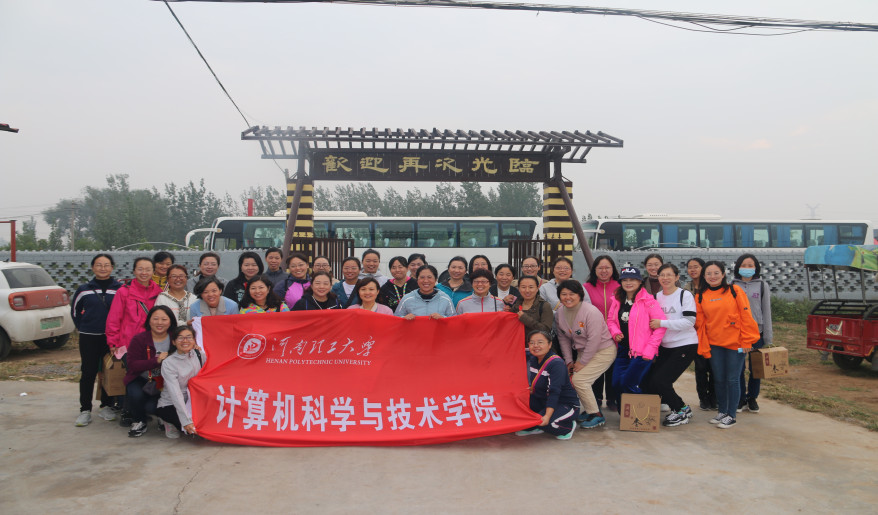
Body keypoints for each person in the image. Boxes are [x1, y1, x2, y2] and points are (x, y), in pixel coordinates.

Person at [695, 261, 760, 429]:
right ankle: (722, 411)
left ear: (723, 274)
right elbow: (700, 323)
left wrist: (747, 340)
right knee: (719, 379)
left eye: (716, 273)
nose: (713, 276)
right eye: (709, 273)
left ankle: (731, 415)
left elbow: (746, 315)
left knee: (732, 379)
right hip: (714, 344)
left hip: (736, 344)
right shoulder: (701, 296)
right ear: (704, 276)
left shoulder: (734, 290)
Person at [554, 280, 617, 429]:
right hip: (583, 351)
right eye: (564, 294)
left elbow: (594, 339)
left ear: (580, 295)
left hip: (603, 351)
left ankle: (596, 415)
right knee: (575, 380)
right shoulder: (560, 313)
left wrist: (582, 362)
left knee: (580, 381)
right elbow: (563, 338)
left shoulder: (591, 312)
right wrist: (569, 361)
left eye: (572, 294)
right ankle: (590, 410)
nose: (568, 297)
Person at [72, 253, 123, 427]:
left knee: (109, 371)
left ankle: (106, 406)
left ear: (112, 268)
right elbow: (75, 312)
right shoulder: (84, 289)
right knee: (88, 372)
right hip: (89, 337)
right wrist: (84, 327)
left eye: (106, 265)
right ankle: (85, 409)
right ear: (93, 267)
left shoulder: (120, 289)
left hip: (112, 338)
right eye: (99, 265)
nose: (103, 268)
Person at [606, 266, 667, 412]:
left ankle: (645, 412)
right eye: (625, 280)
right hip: (623, 349)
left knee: (628, 383)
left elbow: (660, 326)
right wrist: (615, 332)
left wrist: (650, 349)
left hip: (642, 351)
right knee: (616, 383)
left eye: (632, 280)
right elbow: (610, 320)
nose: (628, 283)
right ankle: (626, 415)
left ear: (640, 282)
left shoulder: (649, 301)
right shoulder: (617, 300)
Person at [645, 263, 698, 427]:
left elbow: (689, 321)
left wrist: (662, 323)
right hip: (665, 346)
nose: (665, 278)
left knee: (662, 380)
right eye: (662, 275)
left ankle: (679, 410)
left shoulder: (684, 295)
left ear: (677, 277)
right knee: (652, 380)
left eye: (669, 275)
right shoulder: (656, 297)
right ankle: (683, 407)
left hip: (685, 344)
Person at [124, 305, 177, 438]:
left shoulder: (175, 338)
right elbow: (132, 365)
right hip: (141, 379)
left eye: (164, 319)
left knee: (152, 407)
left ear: (171, 321)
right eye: (155, 319)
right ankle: (139, 420)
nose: (159, 323)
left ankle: (162, 417)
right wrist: (156, 361)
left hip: (165, 381)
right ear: (149, 321)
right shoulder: (139, 339)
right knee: (136, 395)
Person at [515, 330, 580, 440]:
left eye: (540, 342)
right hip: (543, 400)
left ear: (549, 344)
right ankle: (535, 426)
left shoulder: (556, 364)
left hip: (564, 403)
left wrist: (547, 416)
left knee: (546, 422)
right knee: (517, 404)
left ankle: (567, 427)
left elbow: (554, 392)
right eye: (532, 343)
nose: (536, 346)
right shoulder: (534, 358)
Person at [731, 253, 773, 413]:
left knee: (756, 368)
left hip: (757, 333)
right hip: (738, 334)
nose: (747, 268)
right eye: (744, 265)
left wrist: (768, 336)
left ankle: (752, 398)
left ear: (756, 268)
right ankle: (741, 398)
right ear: (738, 267)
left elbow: (766, 310)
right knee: (739, 367)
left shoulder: (762, 285)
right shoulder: (731, 285)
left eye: (750, 265)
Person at [583, 255, 621, 412]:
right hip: (594, 334)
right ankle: (596, 398)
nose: (604, 271)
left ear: (613, 269)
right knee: (596, 367)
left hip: (617, 334)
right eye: (600, 268)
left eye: (607, 267)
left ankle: (612, 398)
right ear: (594, 270)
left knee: (613, 368)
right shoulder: (586, 287)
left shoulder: (621, 286)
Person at [106, 257, 162, 358]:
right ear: (134, 271)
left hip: (154, 342)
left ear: (153, 271)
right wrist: (113, 342)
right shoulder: (123, 292)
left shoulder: (159, 293)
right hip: (129, 343)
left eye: (148, 270)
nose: (144, 273)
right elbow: (114, 319)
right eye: (140, 269)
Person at [155, 325, 203, 438]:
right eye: (180, 338)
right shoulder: (169, 363)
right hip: (171, 404)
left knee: (207, 425)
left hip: (194, 401)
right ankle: (166, 420)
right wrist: (186, 421)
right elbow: (175, 393)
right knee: (196, 431)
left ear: (194, 340)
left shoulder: (199, 355)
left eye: (189, 337)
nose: (185, 341)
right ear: (174, 342)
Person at [685, 257, 714, 410]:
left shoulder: (710, 285)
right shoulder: (686, 288)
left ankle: (714, 397)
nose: (693, 270)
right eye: (690, 267)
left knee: (714, 367)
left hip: (712, 331)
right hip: (695, 333)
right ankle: (703, 398)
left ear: (703, 268)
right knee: (700, 367)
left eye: (696, 266)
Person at [508, 275, 553, 346]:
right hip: (518, 346)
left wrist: (525, 319)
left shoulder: (544, 305)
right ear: (519, 289)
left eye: (531, 287)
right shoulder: (516, 306)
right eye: (523, 287)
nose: (527, 290)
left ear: (537, 288)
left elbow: (545, 330)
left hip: (537, 347)